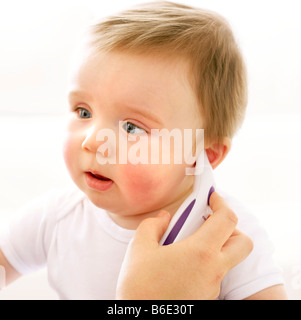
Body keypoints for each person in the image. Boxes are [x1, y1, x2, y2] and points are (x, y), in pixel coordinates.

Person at [0, 1, 286, 299]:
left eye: (132, 127)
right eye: (84, 112)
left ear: (204, 155)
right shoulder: (56, 218)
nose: (93, 140)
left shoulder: (227, 243)